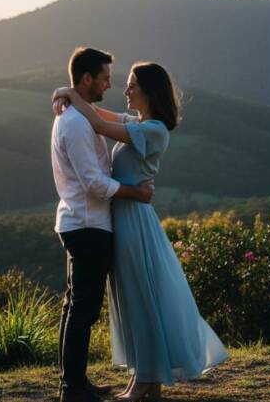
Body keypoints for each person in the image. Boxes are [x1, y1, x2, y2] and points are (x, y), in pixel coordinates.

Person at [53, 61, 228, 401]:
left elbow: (97, 123)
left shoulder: (154, 130)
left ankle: (148, 381)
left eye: (132, 85)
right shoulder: (138, 123)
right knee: (134, 301)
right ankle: (144, 380)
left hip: (134, 221)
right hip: (123, 219)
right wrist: (67, 93)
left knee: (142, 300)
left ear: (149, 91)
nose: (126, 90)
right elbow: (101, 113)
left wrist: (71, 94)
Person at [51, 47, 156, 402]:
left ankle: (73, 383)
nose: (110, 84)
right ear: (87, 79)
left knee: (76, 304)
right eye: (106, 78)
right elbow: (96, 184)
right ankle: (73, 388)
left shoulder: (79, 116)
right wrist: (135, 192)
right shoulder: (77, 124)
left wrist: (67, 94)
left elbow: (109, 119)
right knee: (83, 307)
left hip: (82, 221)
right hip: (87, 223)